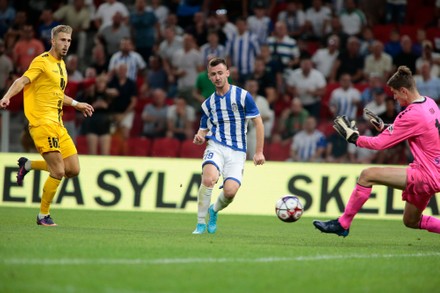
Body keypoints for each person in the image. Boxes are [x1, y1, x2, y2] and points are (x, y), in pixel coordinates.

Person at [313, 66, 440, 237]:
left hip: (426, 175)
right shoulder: (429, 102)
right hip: (434, 171)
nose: (394, 98)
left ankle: (343, 223)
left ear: (404, 91)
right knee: (411, 221)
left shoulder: (411, 114)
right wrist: (385, 127)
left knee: (367, 175)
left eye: (395, 93)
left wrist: (355, 139)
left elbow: (380, 144)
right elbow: (420, 130)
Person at [0, 25, 94, 226]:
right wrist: (7, 96)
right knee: (58, 171)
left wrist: (77, 104)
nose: (66, 44)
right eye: (62, 40)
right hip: (42, 123)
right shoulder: (41, 62)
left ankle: (29, 165)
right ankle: (43, 215)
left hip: (58, 124)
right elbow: (22, 80)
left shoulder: (61, 66)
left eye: (69, 41)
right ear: (53, 41)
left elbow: (56, 94)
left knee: (73, 169)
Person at [192, 57, 265, 234]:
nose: (217, 77)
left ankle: (213, 210)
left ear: (227, 73)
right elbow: (203, 129)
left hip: (238, 151)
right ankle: (200, 223)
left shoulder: (242, 95)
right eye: (213, 74)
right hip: (216, 146)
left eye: (219, 73)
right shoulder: (208, 104)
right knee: (208, 179)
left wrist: (259, 152)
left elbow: (258, 122)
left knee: (230, 192)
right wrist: (200, 137)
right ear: (209, 77)